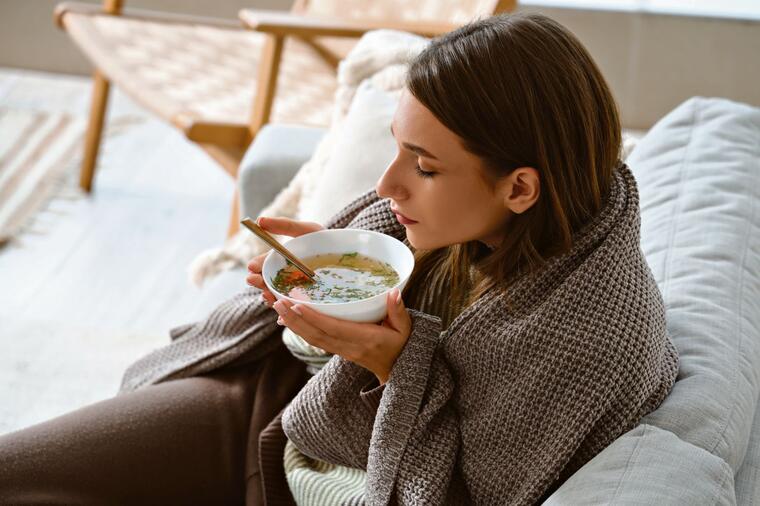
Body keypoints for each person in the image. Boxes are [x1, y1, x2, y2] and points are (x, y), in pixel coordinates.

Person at [0, 12, 678, 505]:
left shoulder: (586, 334)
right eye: (396, 147)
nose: (386, 187)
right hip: (276, 408)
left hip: (333, 473)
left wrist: (394, 365)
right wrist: (323, 266)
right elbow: (324, 335)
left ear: (521, 187)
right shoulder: (444, 232)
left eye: (425, 167)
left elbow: (471, 494)